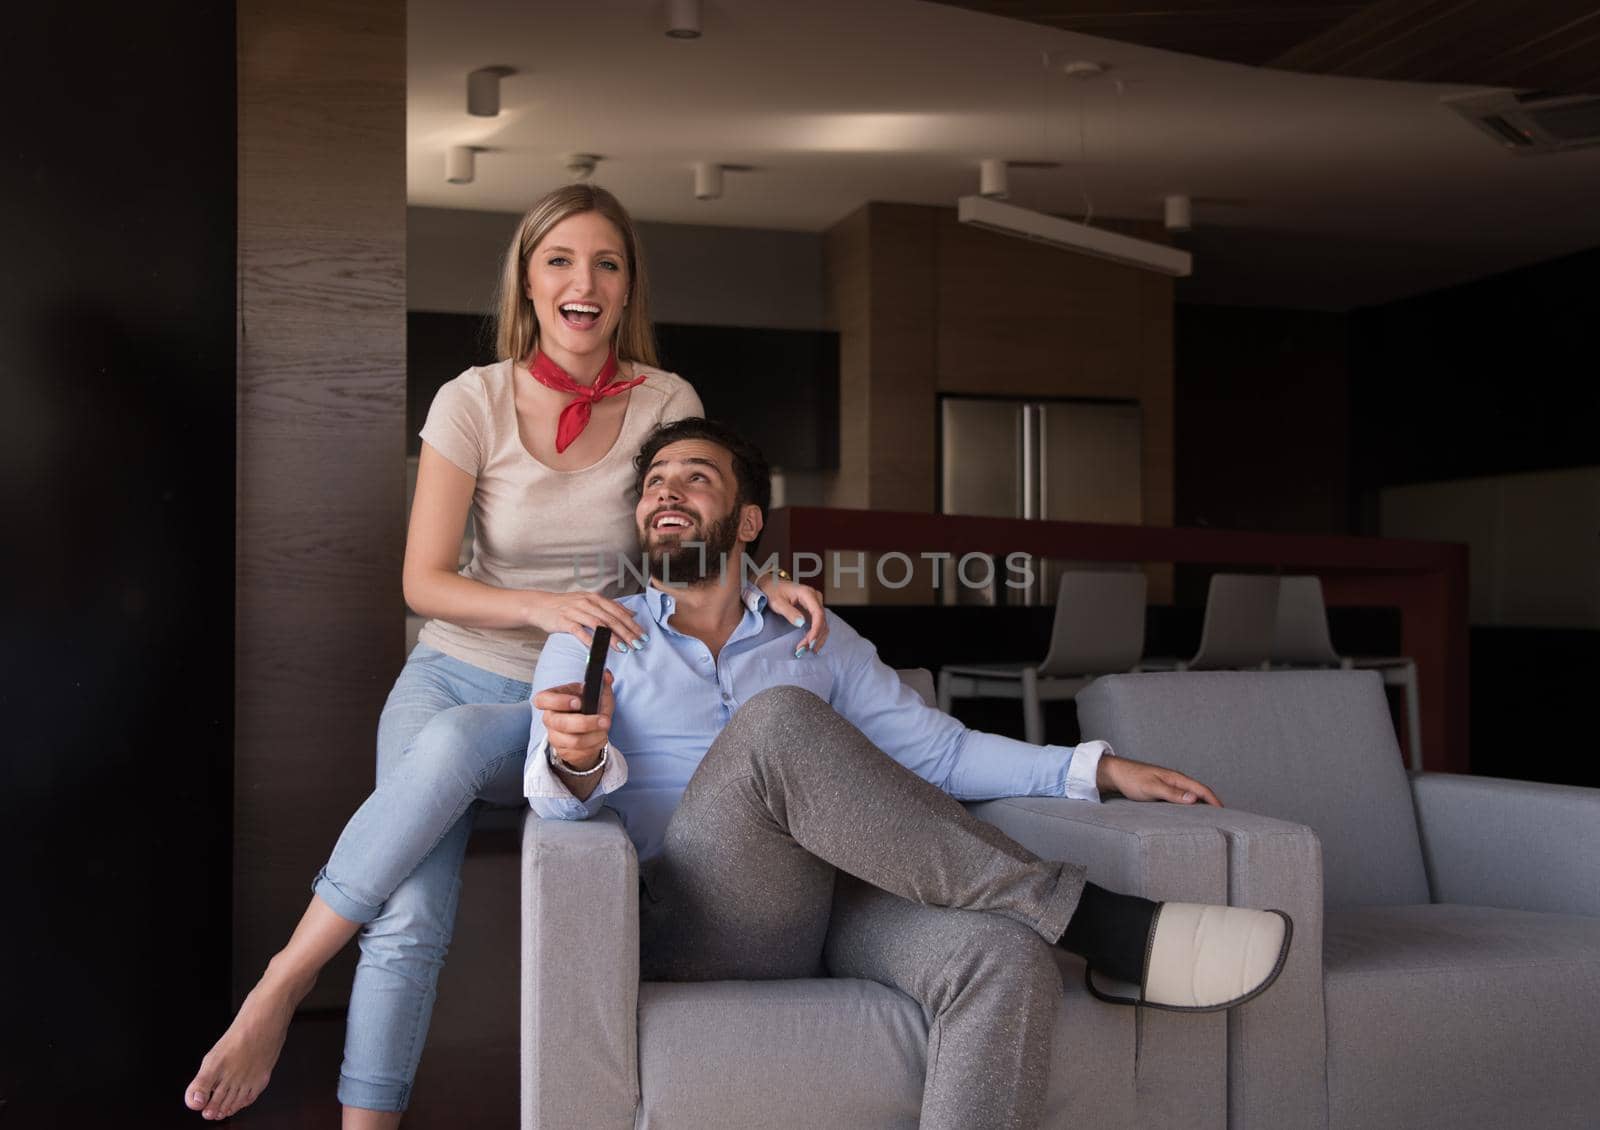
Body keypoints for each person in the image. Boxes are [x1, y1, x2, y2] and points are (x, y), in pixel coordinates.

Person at [183, 187, 827, 1126]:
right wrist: (542, 603)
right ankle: (304, 1032)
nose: (585, 282)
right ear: (528, 279)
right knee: (407, 917)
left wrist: (760, 581)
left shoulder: (667, 399)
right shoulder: (472, 399)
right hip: (454, 667)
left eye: (607, 263)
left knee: (451, 751)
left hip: (589, 692)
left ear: (627, 286)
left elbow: (697, 515)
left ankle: (284, 973)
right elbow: (423, 581)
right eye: (560, 259)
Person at [525, 417, 1293, 1129]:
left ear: (748, 522)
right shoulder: (595, 636)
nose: (667, 492)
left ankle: (1061, 923)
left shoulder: (814, 637)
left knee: (1005, 956)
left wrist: (1096, 768)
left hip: (837, 906)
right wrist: (579, 756)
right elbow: (554, 801)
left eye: (695, 478)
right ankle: (1096, 921)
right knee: (779, 720)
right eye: (656, 482)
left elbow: (940, 753)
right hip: (698, 919)